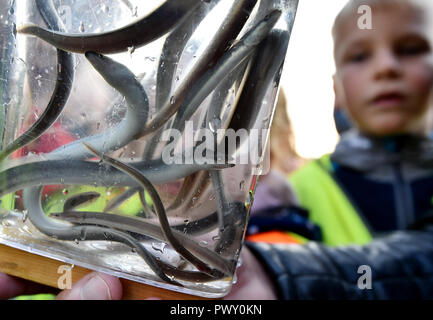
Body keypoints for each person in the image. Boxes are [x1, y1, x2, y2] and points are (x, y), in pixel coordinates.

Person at [4, 0, 433, 300]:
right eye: (361, 55)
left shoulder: (296, 188)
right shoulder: (302, 188)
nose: (386, 69)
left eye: (411, 50)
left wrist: (281, 277)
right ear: (337, 89)